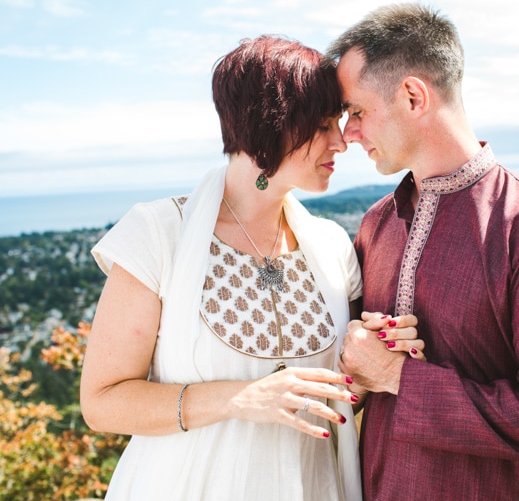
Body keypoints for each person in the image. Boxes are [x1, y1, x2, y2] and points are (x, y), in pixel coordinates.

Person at [79, 35, 415, 501]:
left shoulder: (334, 247)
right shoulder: (158, 234)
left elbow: (342, 398)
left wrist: (375, 361)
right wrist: (237, 399)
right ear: (271, 124)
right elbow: (102, 402)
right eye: (322, 125)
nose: (342, 141)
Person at [329, 3, 519, 501]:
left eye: (358, 112)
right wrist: (362, 367)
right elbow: (353, 386)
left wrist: (398, 376)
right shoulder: (375, 226)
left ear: (413, 96)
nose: (349, 133)